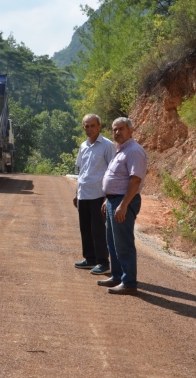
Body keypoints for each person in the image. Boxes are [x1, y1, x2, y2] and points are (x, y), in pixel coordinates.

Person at [97, 117, 147, 295]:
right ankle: (117, 276)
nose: (117, 132)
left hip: (124, 201)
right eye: (115, 129)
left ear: (131, 130)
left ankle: (129, 282)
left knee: (123, 243)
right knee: (112, 242)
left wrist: (123, 204)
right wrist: (107, 199)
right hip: (114, 201)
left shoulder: (134, 151)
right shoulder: (121, 150)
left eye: (121, 129)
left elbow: (135, 180)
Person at [73, 114, 116, 275]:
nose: (89, 129)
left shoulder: (107, 145)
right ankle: (89, 259)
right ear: (83, 127)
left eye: (92, 126)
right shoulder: (83, 146)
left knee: (98, 229)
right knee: (85, 228)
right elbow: (81, 170)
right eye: (87, 126)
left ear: (99, 126)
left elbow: (112, 171)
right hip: (83, 193)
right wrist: (77, 192)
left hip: (99, 194)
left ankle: (103, 262)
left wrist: (107, 196)